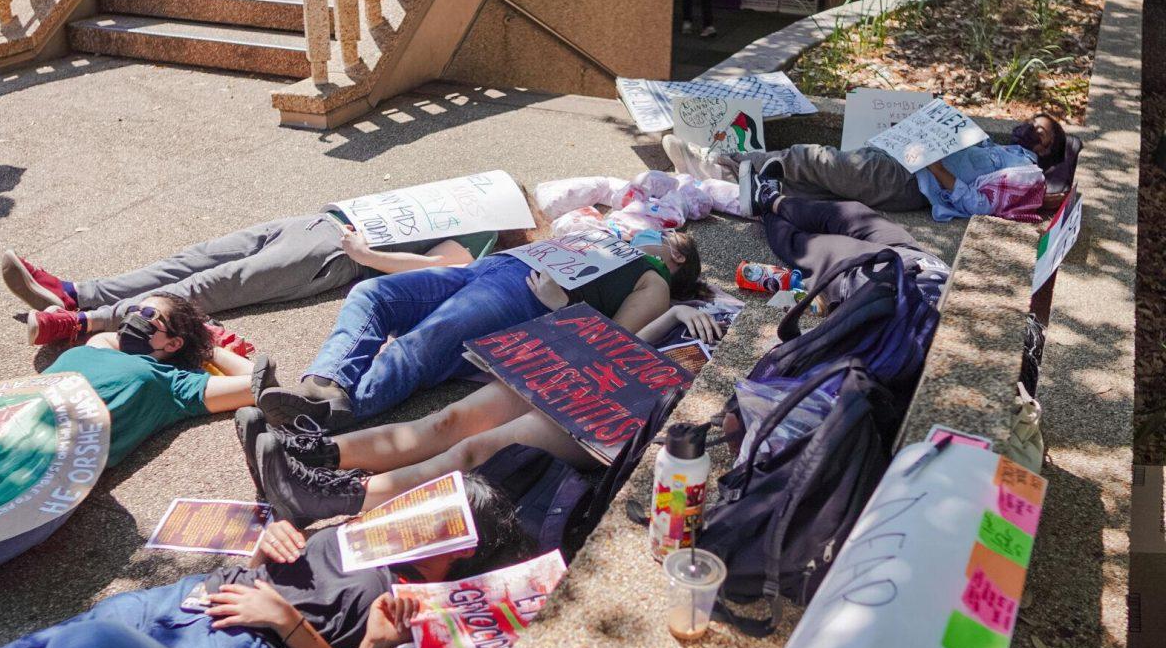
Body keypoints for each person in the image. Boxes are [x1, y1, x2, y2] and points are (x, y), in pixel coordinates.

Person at [0, 474, 528, 648]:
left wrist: (287, 623)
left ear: (461, 549)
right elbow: (283, 566)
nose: (418, 517)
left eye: (440, 520)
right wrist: (264, 550)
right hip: (193, 599)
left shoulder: (412, 604)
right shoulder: (364, 534)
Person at [238, 302, 724, 526]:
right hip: (589, 376)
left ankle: (334, 497)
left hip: (616, 416)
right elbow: (628, 345)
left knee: (473, 450)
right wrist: (679, 311)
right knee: (445, 422)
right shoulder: (694, 311)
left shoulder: (736, 364)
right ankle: (313, 455)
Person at [256, 231, 707, 432]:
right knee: (370, 294)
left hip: (525, 296)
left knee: (426, 342)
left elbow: (611, 344)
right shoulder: (612, 240)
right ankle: (325, 383)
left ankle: (333, 414)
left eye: (665, 233)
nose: (652, 230)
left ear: (678, 255)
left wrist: (563, 307)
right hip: (491, 269)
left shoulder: (656, 281)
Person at [0, 292, 260, 587]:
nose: (134, 317)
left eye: (148, 315)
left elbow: (257, 384)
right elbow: (107, 336)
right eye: (134, 309)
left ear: (174, 343)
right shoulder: (98, 346)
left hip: (34, 477)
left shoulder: (172, 385)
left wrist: (209, 347)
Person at [2, 208, 506, 345]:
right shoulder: (462, 196)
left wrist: (366, 255)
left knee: (212, 285)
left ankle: (83, 322)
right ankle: (73, 293)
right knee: (191, 260)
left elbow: (445, 268)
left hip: (334, 256)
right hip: (314, 223)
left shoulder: (487, 230)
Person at [683, 114, 1067, 214]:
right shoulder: (999, 146)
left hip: (909, 182)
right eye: (1033, 122)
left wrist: (933, 164)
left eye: (1041, 132)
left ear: (1047, 152)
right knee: (814, 182)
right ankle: (726, 178)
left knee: (813, 157)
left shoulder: (1027, 173)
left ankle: (725, 160)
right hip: (905, 162)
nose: (1030, 129)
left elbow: (976, 204)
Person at [747, 177, 949, 314]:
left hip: (880, 278)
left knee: (810, 246)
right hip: (921, 261)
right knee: (853, 213)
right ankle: (770, 199)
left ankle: (765, 213)